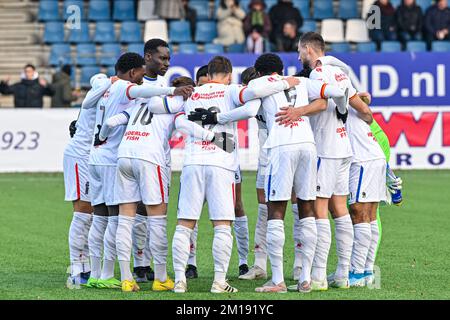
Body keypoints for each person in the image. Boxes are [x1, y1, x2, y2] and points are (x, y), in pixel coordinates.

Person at [171, 55, 299, 294]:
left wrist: (204, 133)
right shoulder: (232, 91)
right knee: (222, 225)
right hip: (222, 163)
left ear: (208, 75)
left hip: (192, 162)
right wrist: (288, 82)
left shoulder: (193, 94)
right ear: (229, 75)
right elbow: (251, 108)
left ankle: (180, 281)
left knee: (184, 224)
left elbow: (179, 123)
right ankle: (219, 282)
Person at [278, 32, 373, 291]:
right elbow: (361, 108)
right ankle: (343, 274)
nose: (298, 56)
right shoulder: (341, 73)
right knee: (339, 210)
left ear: (309, 49)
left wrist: (297, 111)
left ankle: (318, 276)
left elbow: (320, 104)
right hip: (344, 149)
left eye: (300, 51)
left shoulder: (319, 73)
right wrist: (368, 119)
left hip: (325, 149)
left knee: (319, 211)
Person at [85, 52, 180, 289]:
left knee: (105, 219)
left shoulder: (107, 87)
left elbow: (107, 120)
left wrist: (100, 139)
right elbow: (139, 92)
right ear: (132, 72)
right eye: (139, 74)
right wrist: (172, 92)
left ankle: (114, 276)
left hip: (108, 155)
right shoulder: (128, 88)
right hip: (124, 158)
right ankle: (157, 278)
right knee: (140, 219)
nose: (141, 79)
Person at [96, 76, 194, 292]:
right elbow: (179, 120)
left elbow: (111, 122)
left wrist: (101, 139)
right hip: (150, 157)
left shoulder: (140, 101)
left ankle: (126, 278)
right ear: (186, 91)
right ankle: (160, 278)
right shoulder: (178, 102)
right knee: (157, 218)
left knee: (125, 219)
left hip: (124, 155)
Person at [63, 73, 113, 288]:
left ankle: (85, 264)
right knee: (83, 212)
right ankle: (76, 267)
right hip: (80, 156)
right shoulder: (103, 87)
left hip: (92, 158)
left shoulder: (105, 97)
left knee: (93, 214)